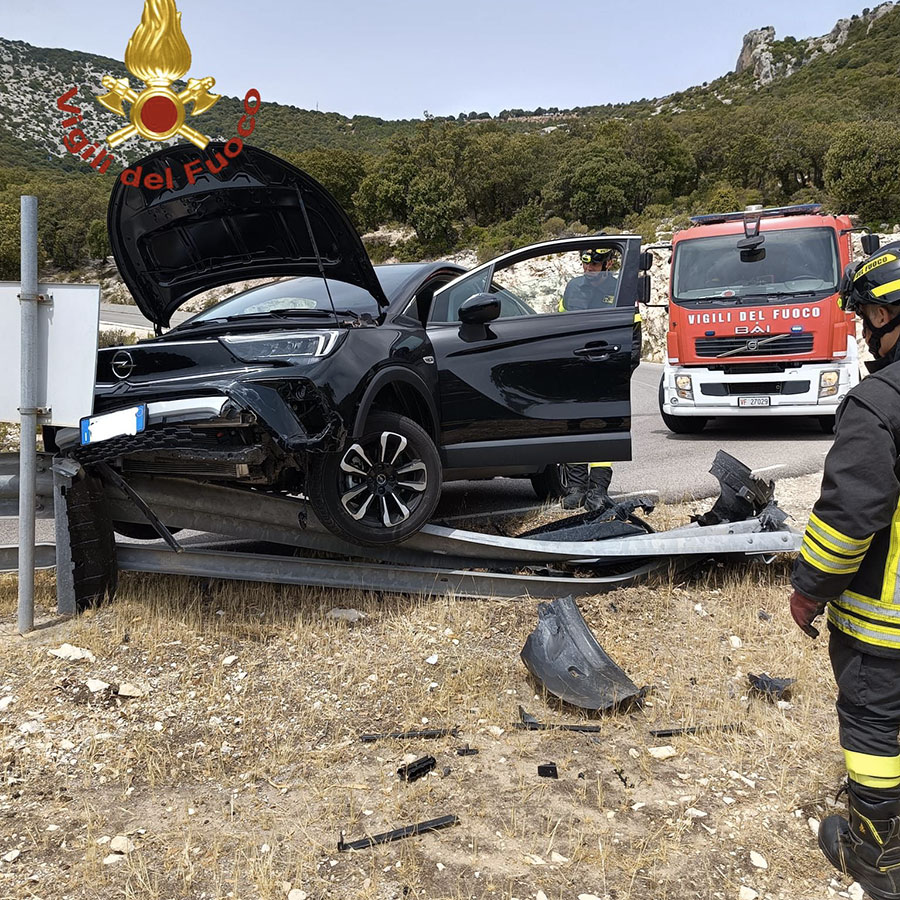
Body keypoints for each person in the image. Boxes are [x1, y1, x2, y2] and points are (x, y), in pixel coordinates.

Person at [789, 243, 900, 900]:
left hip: (886, 628)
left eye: (865, 316)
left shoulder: (878, 404)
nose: (861, 329)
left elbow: (847, 520)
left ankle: (878, 860)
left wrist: (808, 590)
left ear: (888, 313)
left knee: (872, 729)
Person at [558, 248, 641, 513]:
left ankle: (598, 489)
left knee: (603, 431)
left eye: (594, 265)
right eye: (586, 265)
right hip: (574, 371)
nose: (589, 270)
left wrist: (623, 370)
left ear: (609, 263)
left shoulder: (621, 291)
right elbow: (557, 327)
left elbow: (634, 334)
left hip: (606, 371)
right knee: (574, 429)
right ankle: (576, 489)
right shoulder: (573, 288)